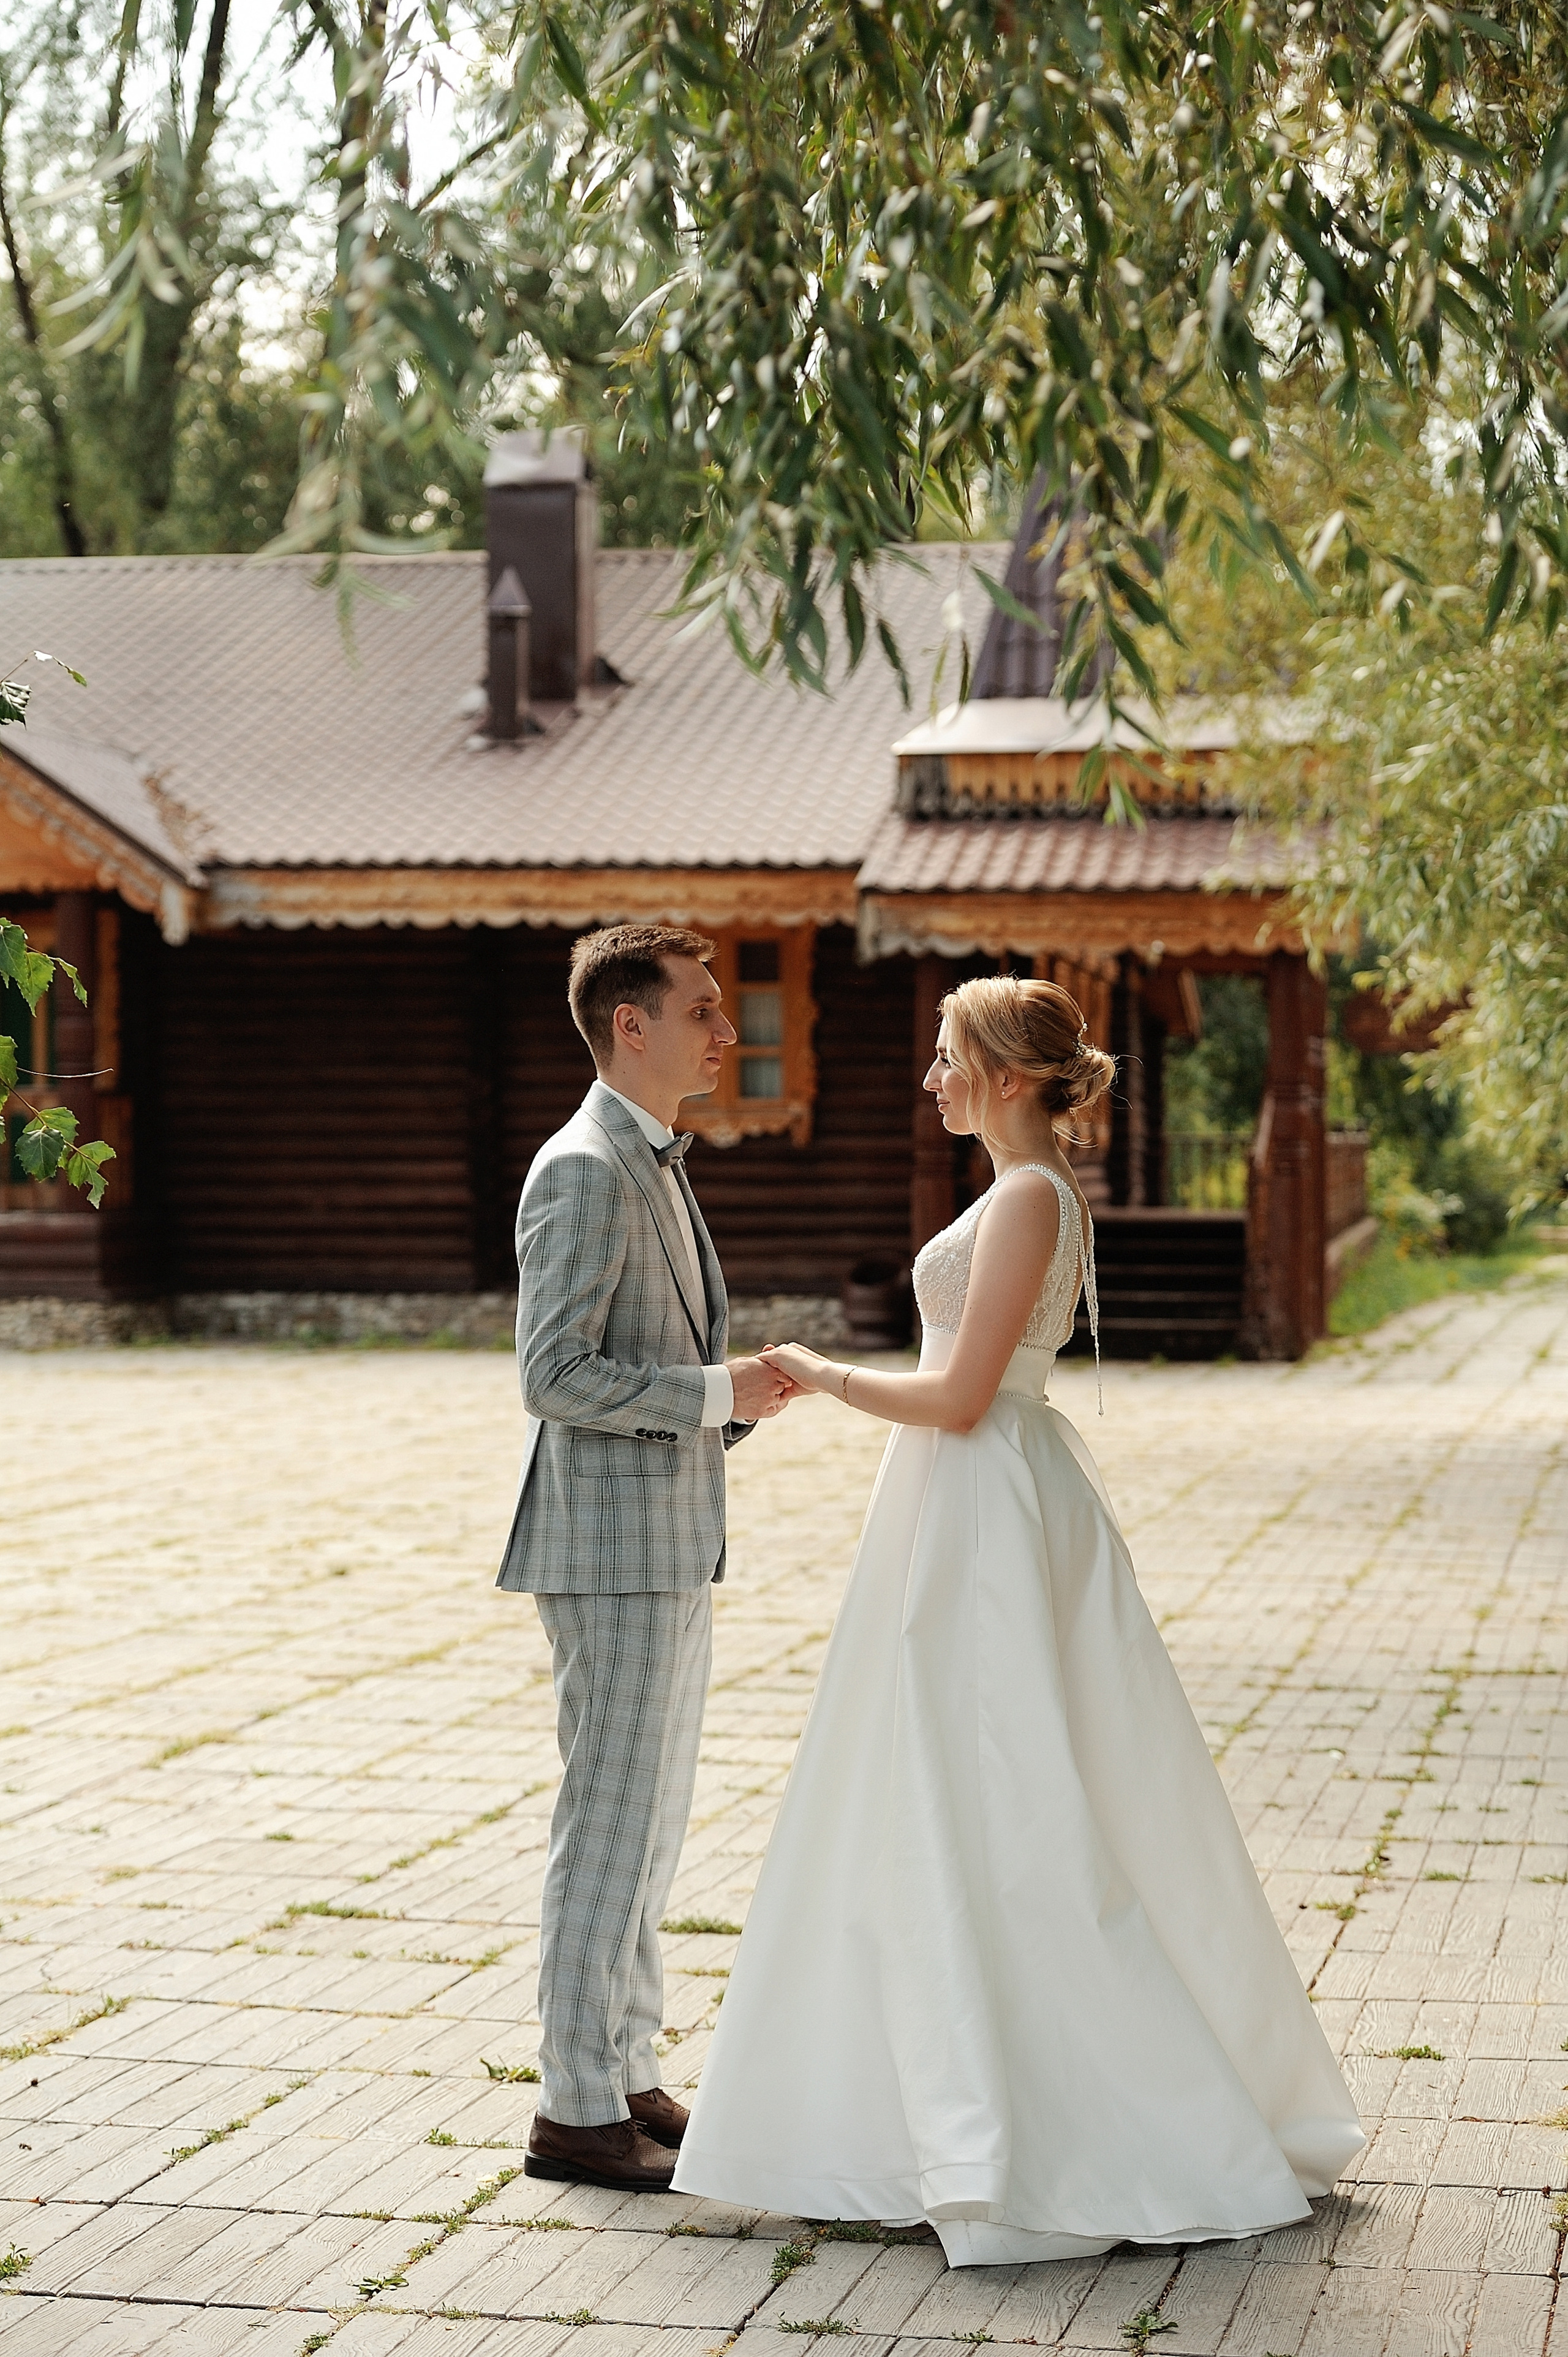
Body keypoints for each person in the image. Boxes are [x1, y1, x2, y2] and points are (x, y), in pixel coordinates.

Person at [671, 975, 1363, 2264]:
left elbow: (960, 1396)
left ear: (998, 1069)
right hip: (965, 1500)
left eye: (944, 1057)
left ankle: (1029, 2116)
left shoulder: (1030, 1198)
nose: (930, 1079)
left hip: (980, 1499)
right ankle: (920, 2101)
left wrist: (816, 1372)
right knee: (940, 1784)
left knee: (998, 1780)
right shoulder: (1020, 1194)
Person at [496, 923, 797, 2196]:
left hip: (667, 1541)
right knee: (606, 1830)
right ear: (632, 1023)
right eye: (703, 1010)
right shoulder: (582, 1168)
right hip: (608, 1551)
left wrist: (731, 1400)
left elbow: (643, 1361)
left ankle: (622, 2071)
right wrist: (707, 1388)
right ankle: (572, 2111)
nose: (725, 1030)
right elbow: (550, 1374)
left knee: (649, 1830)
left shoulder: (650, 1159)